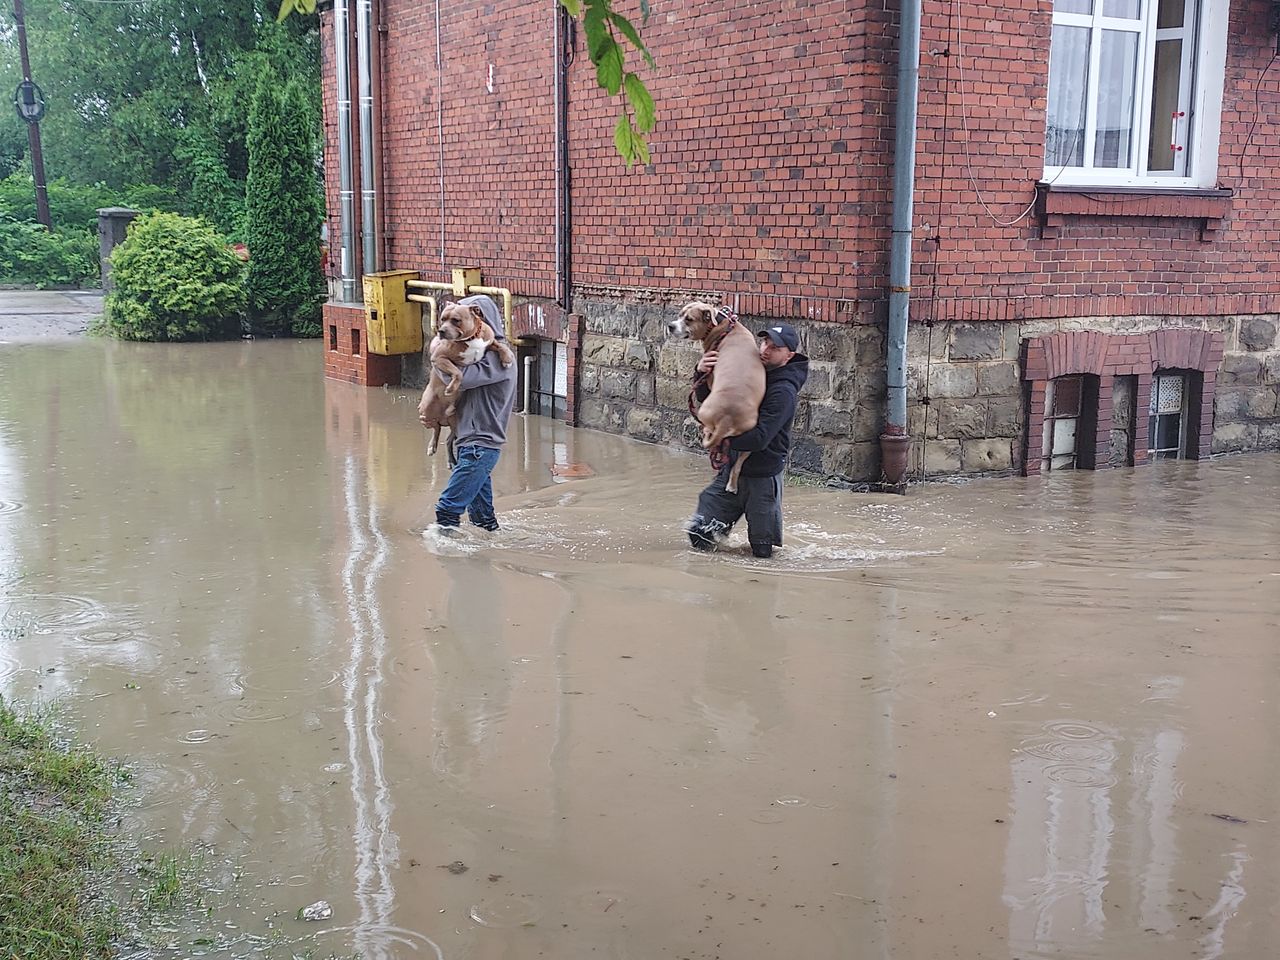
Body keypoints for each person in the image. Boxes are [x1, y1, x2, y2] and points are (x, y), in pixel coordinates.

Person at [686, 321, 810, 559]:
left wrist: (720, 438)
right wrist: (701, 372)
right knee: (700, 535)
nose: (765, 349)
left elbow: (759, 438)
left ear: (789, 355)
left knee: (763, 553)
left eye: (775, 347)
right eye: (764, 342)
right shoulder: (747, 370)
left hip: (762, 478)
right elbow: (711, 398)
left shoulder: (783, 391)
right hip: (731, 471)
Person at [419, 294, 517, 533]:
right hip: (470, 443)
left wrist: (436, 354)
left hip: (480, 446)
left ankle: (445, 554)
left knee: (447, 508)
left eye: (458, 321)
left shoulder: (496, 358)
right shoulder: (476, 352)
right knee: (483, 521)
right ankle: (483, 558)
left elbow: (462, 380)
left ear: (479, 319)